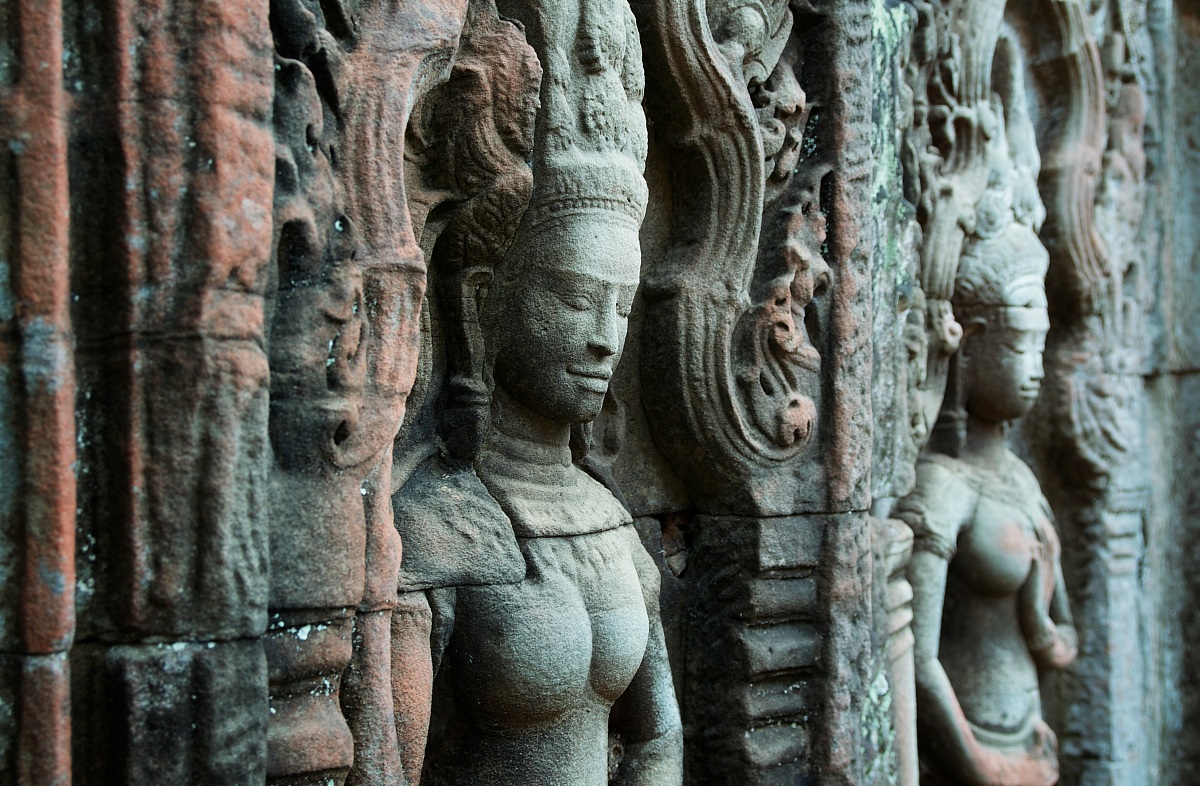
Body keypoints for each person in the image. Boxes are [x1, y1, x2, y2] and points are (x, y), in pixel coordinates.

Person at [895, 215, 1076, 786]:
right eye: (1020, 347)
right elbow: (915, 661)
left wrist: (1038, 624)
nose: (1035, 370)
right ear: (968, 349)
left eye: (1041, 347)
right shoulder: (944, 487)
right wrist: (982, 766)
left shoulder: (1022, 481)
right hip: (965, 750)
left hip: (1031, 733)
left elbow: (1062, 642)